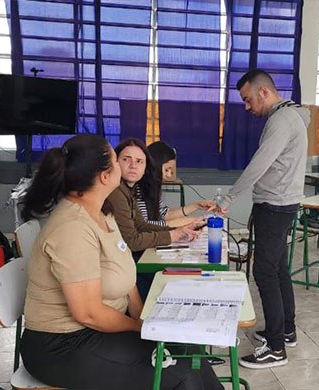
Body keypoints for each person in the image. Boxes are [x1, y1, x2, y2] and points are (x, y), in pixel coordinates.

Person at [19, 134, 222, 389]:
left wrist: (144, 319)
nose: (127, 167)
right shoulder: (72, 227)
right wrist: (140, 327)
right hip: (63, 345)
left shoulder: (103, 212)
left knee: (190, 354)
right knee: (182, 374)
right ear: (105, 176)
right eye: (118, 160)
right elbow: (89, 313)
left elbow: (127, 277)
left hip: (98, 332)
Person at [216, 69, 310, 369]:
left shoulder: (281, 120)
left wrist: (228, 198)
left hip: (274, 206)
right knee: (279, 269)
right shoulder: (291, 115)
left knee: (265, 272)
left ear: (264, 92)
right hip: (282, 203)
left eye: (248, 100)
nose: (247, 107)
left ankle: (276, 348)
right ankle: (285, 330)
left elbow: (259, 164)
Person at [106, 138, 201, 298]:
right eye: (126, 159)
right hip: (124, 262)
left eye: (139, 161)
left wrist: (176, 230)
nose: (133, 165)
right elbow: (133, 240)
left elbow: (142, 225)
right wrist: (173, 233)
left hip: (129, 257)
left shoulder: (127, 190)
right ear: (115, 163)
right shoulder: (117, 191)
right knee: (170, 283)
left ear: (146, 167)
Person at [142, 140, 215, 227]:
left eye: (171, 171)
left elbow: (164, 214)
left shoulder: (152, 187)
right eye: (166, 170)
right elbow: (144, 226)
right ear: (154, 165)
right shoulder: (137, 189)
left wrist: (196, 205)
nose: (169, 175)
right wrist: (186, 222)